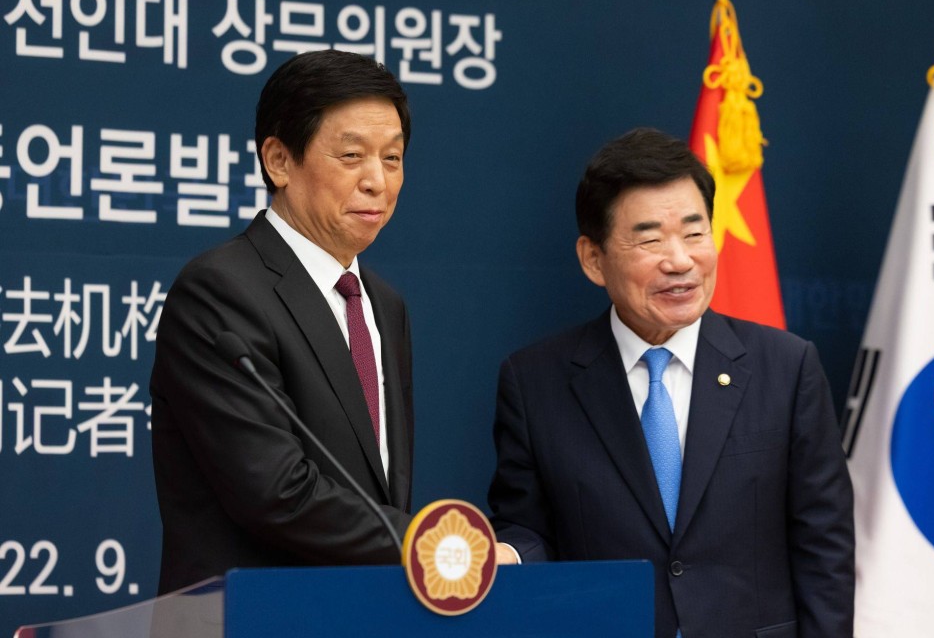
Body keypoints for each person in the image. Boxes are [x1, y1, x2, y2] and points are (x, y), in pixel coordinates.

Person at [487, 128, 854, 637]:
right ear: (594, 259)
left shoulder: (787, 369)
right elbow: (529, 529)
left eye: (694, 232)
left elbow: (825, 549)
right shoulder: (534, 383)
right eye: (650, 239)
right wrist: (507, 555)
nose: (680, 260)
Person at [150, 50, 414, 594]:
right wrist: (431, 545)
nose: (377, 182)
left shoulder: (384, 305)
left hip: (365, 617)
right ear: (279, 160)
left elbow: (376, 488)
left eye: (392, 158)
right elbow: (275, 490)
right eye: (351, 155)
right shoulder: (220, 290)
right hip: (250, 617)